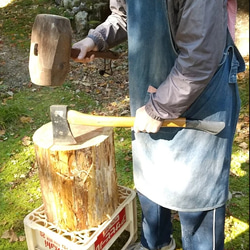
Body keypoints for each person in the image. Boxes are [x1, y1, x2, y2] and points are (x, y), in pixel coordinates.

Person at [73, 1, 245, 249]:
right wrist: (95, 39)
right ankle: (157, 242)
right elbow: (124, 16)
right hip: (151, 88)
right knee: (150, 175)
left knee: (198, 196)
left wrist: (159, 108)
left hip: (203, 99)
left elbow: (200, 57)